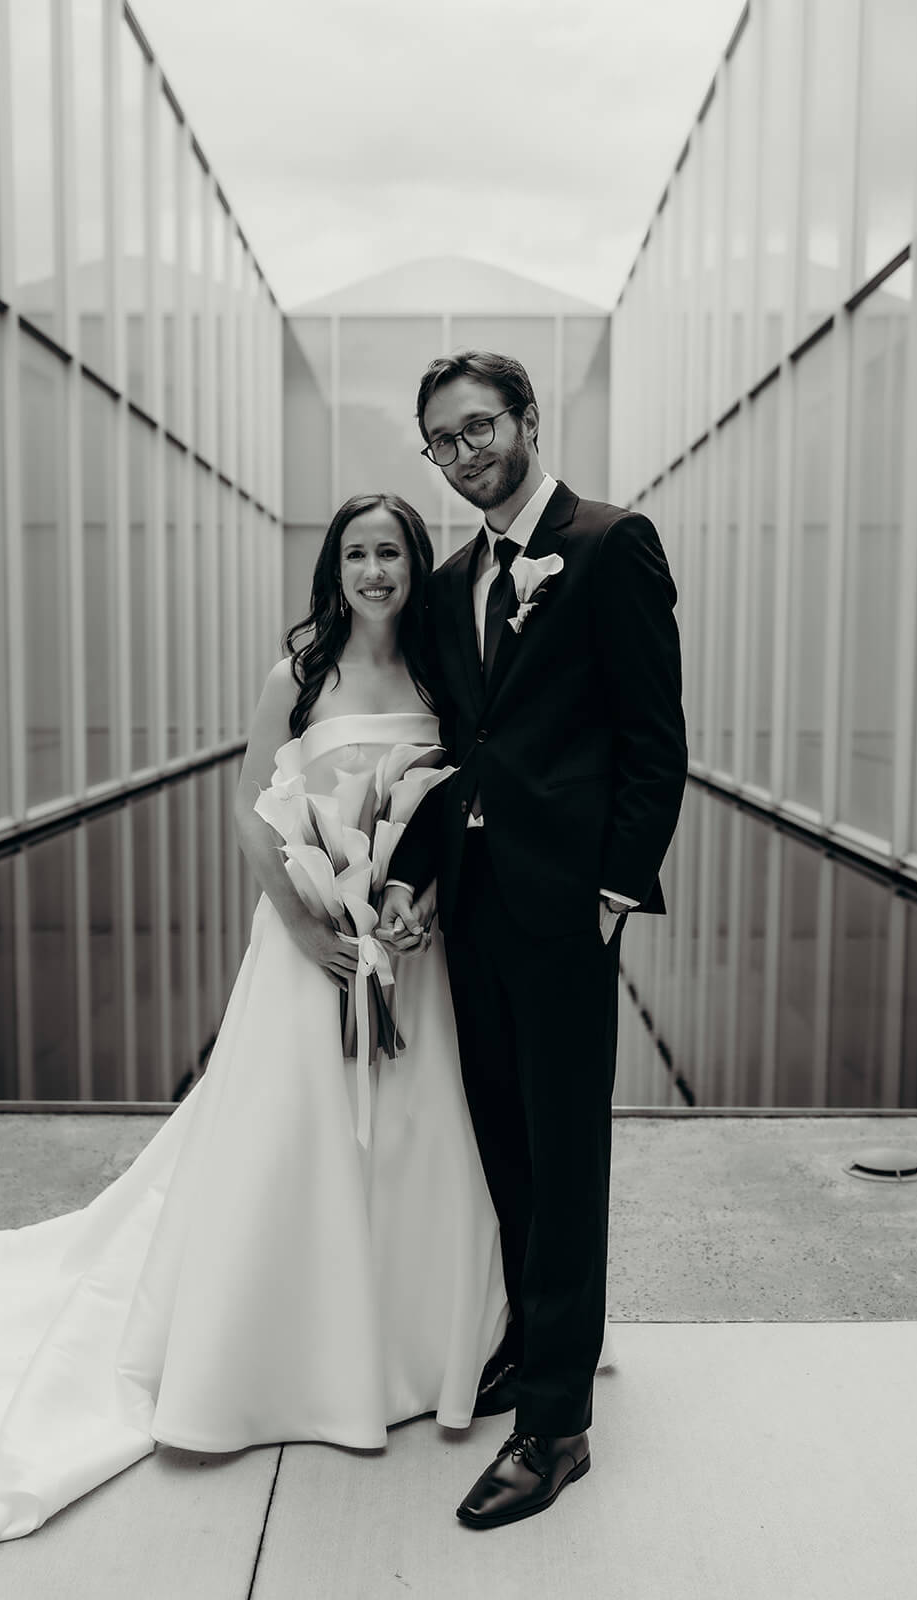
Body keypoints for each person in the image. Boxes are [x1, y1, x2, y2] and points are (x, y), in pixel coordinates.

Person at [0, 493, 507, 1583]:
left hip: (398, 950)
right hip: (307, 946)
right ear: (333, 570)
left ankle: (418, 1351)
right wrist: (302, 923)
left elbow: (446, 808)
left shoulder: (443, 674)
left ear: (413, 565)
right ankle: (275, 1355)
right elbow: (250, 806)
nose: (374, 569)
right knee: (295, 1142)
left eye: (390, 551)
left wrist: (409, 898)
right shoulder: (298, 675)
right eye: (355, 553)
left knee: (418, 1139)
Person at [381, 350, 687, 1529]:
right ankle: (532, 1341)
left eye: (477, 430)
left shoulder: (611, 544)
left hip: (564, 910)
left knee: (565, 1160)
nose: (463, 457)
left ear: (524, 421)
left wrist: (614, 888)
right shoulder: (454, 577)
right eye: (441, 443)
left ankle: (556, 1425)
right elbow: (457, 749)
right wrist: (412, 879)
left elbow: (652, 737)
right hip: (471, 909)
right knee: (505, 1144)